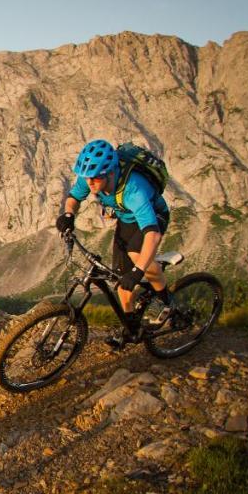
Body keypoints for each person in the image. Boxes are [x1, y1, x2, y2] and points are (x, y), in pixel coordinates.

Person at [57, 139, 172, 347]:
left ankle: (166, 300)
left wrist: (137, 272)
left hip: (153, 217)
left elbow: (152, 235)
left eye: (95, 178)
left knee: (137, 256)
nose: (90, 183)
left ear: (110, 172)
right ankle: (131, 327)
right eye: (87, 178)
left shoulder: (134, 190)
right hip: (127, 219)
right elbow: (73, 198)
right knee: (120, 277)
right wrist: (68, 214)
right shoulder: (91, 177)